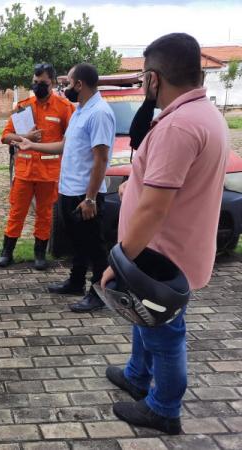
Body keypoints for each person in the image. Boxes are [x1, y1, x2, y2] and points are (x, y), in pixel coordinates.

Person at [100, 33, 228, 434]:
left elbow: (156, 208)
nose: (141, 86)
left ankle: (164, 408)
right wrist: (133, 185)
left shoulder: (179, 127)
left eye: (142, 78)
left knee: (167, 333)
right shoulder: (205, 115)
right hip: (179, 245)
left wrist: (121, 261)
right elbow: (169, 186)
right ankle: (138, 376)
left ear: (154, 78)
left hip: (162, 254)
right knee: (149, 322)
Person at [16, 63, 116, 313]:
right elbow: (64, 145)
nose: (66, 88)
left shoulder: (99, 113)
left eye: (68, 83)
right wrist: (32, 145)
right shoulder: (81, 110)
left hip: (86, 193)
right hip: (70, 190)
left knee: (94, 246)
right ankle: (75, 282)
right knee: (78, 242)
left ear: (80, 84)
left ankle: (99, 292)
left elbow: (101, 159)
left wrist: (91, 198)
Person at [0, 63, 75, 270]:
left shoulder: (64, 108)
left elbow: (71, 140)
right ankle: (7, 252)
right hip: (24, 171)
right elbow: (5, 137)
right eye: (35, 82)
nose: (38, 86)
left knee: (45, 214)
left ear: (53, 83)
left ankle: (40, 253)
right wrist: (25, 136)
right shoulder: (23, 106)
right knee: (17, 212)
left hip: (48, 174)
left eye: (43, 83)